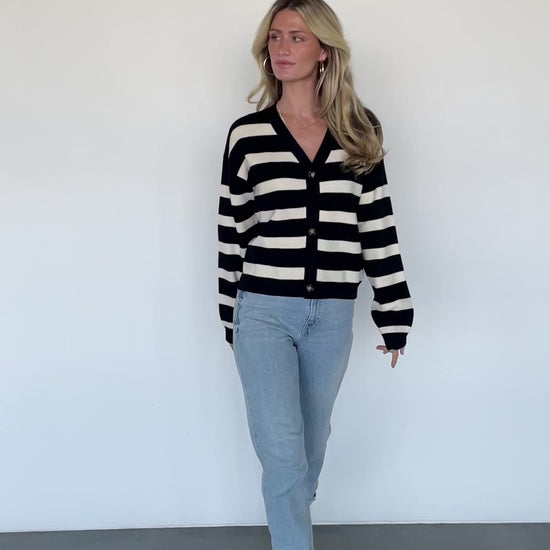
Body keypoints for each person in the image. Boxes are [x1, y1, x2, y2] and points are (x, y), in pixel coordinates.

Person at [217, 1, 413, 548]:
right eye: (275, 36)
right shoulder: (247, 136)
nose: (282, 48)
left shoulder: (359, 130)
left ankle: (291, 520)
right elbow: (232, 232)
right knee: (282, 452)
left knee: (310, 444)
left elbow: (376, 225)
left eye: (297, 38)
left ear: (324, 49)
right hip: (262, 311)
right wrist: (231, 318)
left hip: (331, 315)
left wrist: (394, 311)